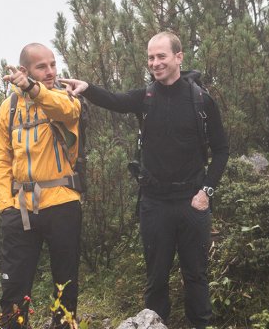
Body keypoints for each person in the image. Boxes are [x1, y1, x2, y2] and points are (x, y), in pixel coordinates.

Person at [59, 31, 228, 329]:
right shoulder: (146, 97)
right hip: (154, 203)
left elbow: (222, 150)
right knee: (156, 278)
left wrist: (206, 193)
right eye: (151, 57)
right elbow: (115, 100)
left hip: (192, 202)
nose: (155, 62)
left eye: (161, 56)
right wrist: (86, 88)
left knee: (197, 276)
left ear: (179, 57)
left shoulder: (202, 101)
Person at [0, 43, 84, 328]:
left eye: (53, 65)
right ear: (24, 70)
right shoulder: (8, 109)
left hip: (62, 203)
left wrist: (33, 89)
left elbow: (67, 112)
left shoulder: (64, 98)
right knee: (14, 290)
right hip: (20, 210)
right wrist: (6, 205)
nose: (51, 72)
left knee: (65, 286)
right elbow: (0, 159)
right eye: (42, 67)